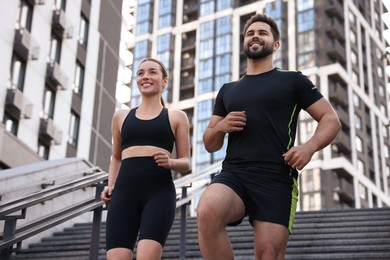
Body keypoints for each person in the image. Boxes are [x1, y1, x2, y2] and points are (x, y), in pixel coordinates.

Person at [196, 13, 341, 260]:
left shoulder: (293, 80)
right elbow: (210, 143)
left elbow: (331, 119)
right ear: (244, 42)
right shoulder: (228, 90)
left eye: (262, 33)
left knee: (268, 255)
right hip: (235, 173)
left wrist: (308, 147)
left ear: (275, 44)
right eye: (250, 33)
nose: (255, 36)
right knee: (207, 210)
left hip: (276, 177)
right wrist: (221, 127)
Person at [100, 58, 191, 260]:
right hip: (123, 196)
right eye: (140, 73)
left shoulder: (176, 117)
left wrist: (171, 163)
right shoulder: (121, 116)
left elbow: (186, 161)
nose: (145, 77)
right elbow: (116, 157)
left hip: (159, 195)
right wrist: (110, 185)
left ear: (164, 80)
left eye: (152, 72)